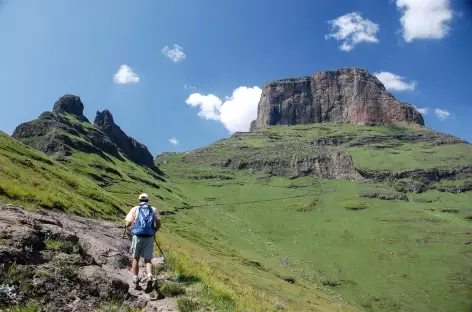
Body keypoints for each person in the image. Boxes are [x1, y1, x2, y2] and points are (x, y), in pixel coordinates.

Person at [125, 193, 161, 289]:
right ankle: (149, 276)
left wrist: (127, 225)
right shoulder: (153, 209)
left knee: (135, 258)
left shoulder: (135, 209)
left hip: (138, 236)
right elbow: (158, 223)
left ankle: (136, 279)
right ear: (148, 200)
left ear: (139, 200)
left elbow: (128, 223)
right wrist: (153, 231)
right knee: (148, 259)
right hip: (149, 237)